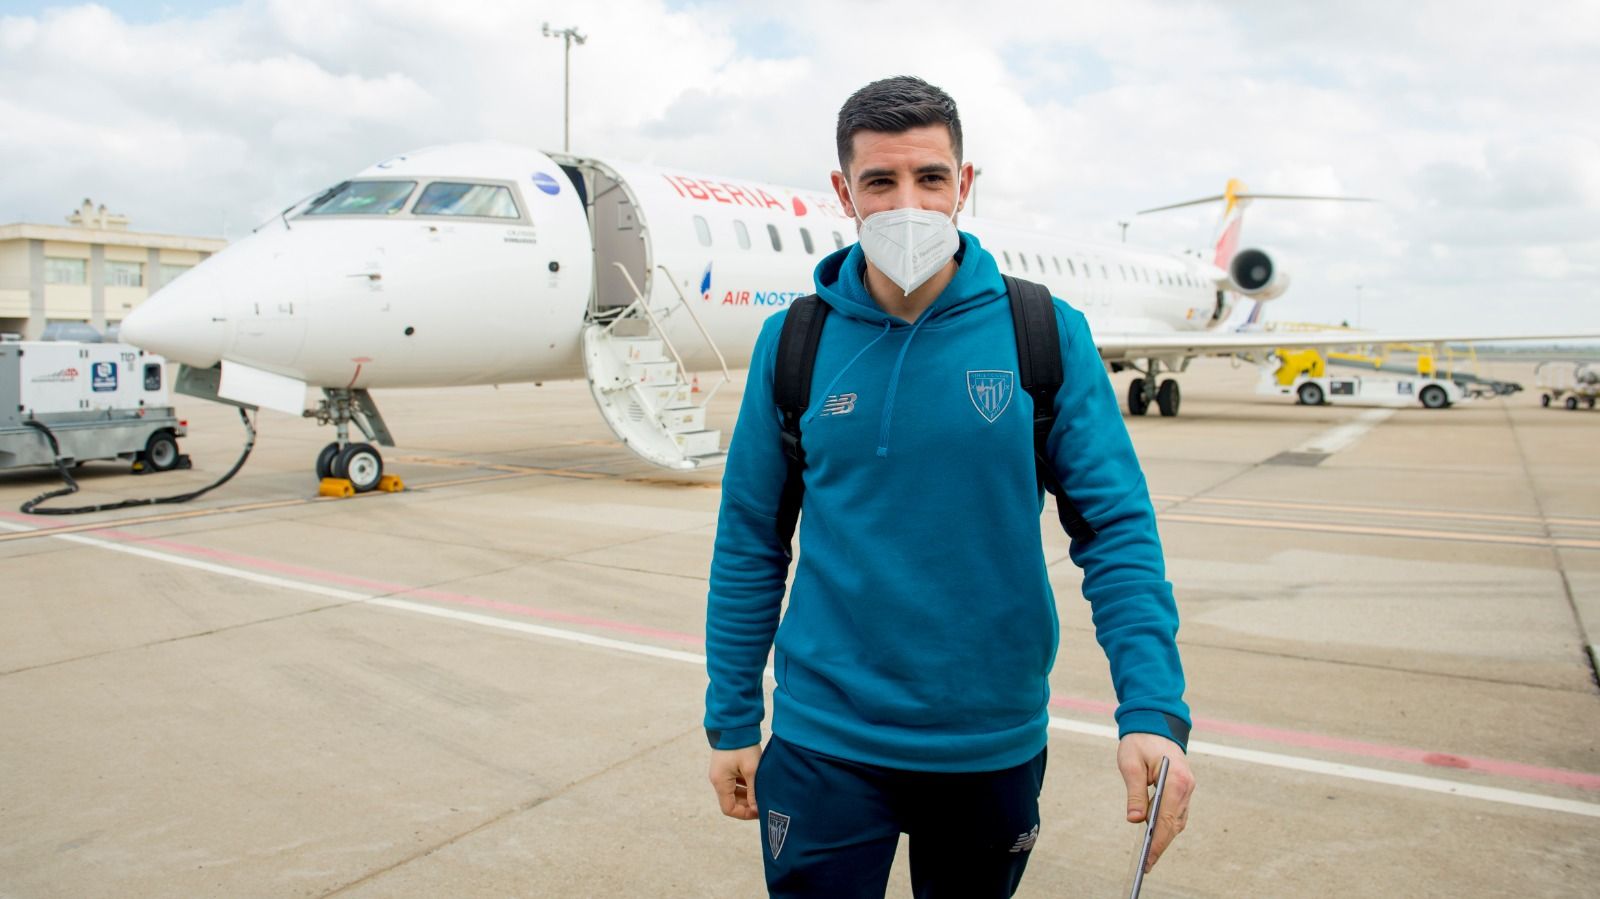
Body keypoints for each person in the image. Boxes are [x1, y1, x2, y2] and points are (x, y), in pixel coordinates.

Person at [704, 75, 1194, 898]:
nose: (909, 202)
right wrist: (731, 719)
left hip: (989, 744)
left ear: (965, 184)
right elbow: (750, 540)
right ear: (843, 191)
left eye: (931, 178)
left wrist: (1151, 707)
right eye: (880, 181)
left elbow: (1116, 531)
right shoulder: (792, 342)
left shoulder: (1045, 333)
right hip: (825, 742)